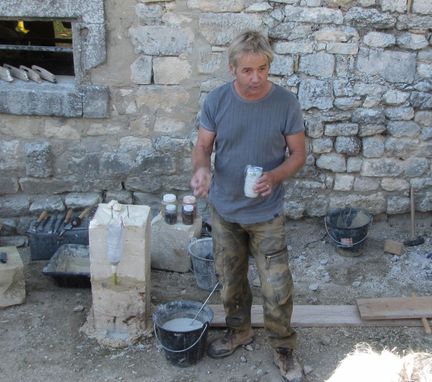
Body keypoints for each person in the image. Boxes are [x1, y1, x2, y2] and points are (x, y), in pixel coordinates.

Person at [190, 30, 306, 382]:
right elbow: (203, 147)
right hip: (225, 210)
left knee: (276, 285)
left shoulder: (285, 103)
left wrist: (275, 176)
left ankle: (283, 345)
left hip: (266, 213)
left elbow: (298, 155)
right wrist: (201, 171)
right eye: (247, 71)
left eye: (263, 69)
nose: (256, 78)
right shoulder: (217, 101)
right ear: (232, 69)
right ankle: (239, 331)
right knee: (230, 280)